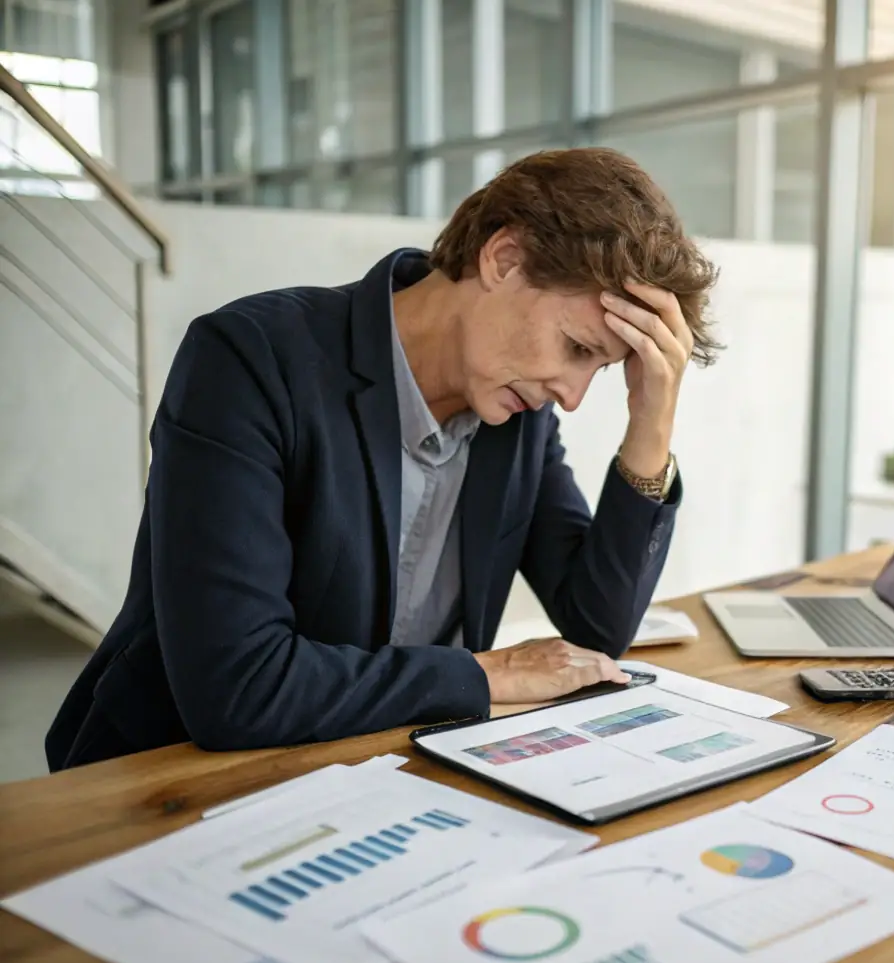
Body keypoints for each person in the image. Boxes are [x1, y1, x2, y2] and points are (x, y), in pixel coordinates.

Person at [45, 147, 720, 771]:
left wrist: (650, 422)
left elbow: (596, 624)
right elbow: (239, 688)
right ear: (504, 258)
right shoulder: (249, 360)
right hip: (170, 776)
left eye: (597, 371)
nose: (570, 397)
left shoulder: (516, 413)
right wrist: (486, 675)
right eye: (577, 347)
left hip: (379, 763)